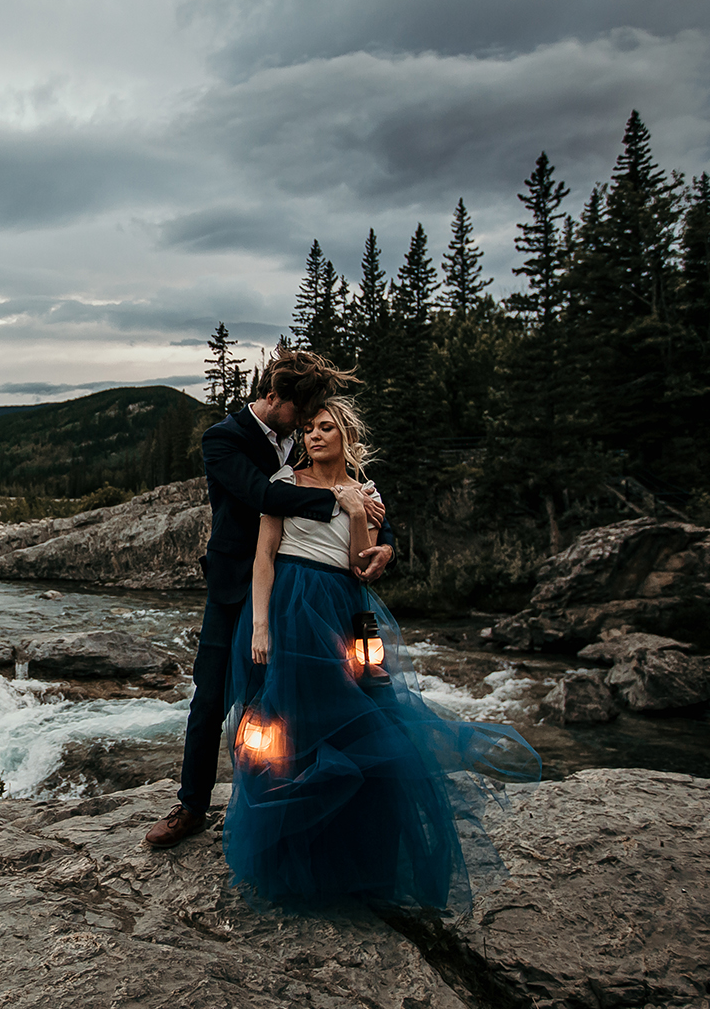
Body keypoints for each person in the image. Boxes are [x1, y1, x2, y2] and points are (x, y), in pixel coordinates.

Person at [222, 394, 540, 910]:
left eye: (325, 428)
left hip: (347, 610)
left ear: (345, 433)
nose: (313, 436)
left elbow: (359, 566)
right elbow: (264, 557)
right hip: (289, 607)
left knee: (367, 717)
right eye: (307, 430)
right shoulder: (281, 484)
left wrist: (354, 513)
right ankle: (288, 859)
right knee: (286, 728)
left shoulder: (365, 493)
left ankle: (360, 861)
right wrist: (261, 626)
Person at [144, 349, 394, 849]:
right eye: (300, 417)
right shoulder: (223, 439)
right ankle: (192, 806)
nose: (307, 427)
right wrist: (335, 502)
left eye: (314, 422)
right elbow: (263, 497)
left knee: (315, 696)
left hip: (312, 598)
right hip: (240, 586)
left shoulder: (306, 441)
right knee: (213, 695)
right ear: (273, 397)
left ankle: (309, 802)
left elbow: (358, 496)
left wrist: (388, 542)